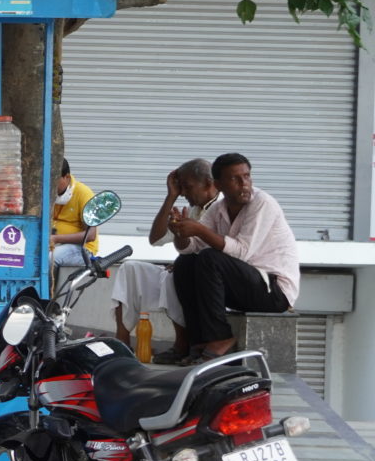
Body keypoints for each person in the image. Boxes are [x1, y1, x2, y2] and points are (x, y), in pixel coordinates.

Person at [170, 153, 298, 363]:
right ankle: (200, 340)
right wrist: (180, 232)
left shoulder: (263, 203)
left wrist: (200, 230)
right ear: (218, 184)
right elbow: (190, 248)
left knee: (210, 258)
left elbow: (242, 251)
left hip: (274, 291)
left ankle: (220, 337)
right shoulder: (218, 209)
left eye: (247, 177)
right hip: (244, 287)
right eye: (235, 179)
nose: (244, 184)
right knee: (186, 263)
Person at [109, 158, 221, 360]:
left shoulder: (222, 206)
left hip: (208, 278)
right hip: (182, 269)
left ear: (208, 183)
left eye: (187, 187)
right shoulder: (194, 209)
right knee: (130, 269)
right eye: (182, 188)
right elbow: (156, 239)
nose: (184, 193)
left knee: (177, 272)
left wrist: (182, 262)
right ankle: (122, 343)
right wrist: (171, 197)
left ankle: (182, 344)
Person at [49, 158, 98, 266]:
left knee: (49, 259)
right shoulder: (46, 192)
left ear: (66, 177)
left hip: (81, 249)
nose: (50, 184)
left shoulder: (83, 193)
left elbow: (91, 235)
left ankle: (53, 284)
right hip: (52, 244)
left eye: (54, 180)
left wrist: (56, 238)